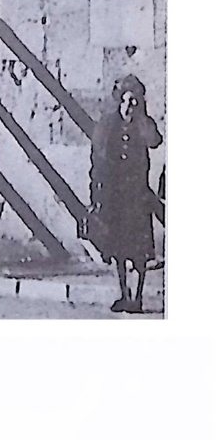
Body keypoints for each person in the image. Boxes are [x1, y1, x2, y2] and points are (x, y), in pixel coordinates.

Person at [89, 73, 163, 314]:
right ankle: (124, 294)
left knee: (139, 250)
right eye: (125, 101)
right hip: (116, 196)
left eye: (134, 102)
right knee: (119, 249)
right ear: (118, 101)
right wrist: (97, 194)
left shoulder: (142, 125)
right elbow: (98, 160)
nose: (129, 106)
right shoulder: (108, 126)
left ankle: (138, 297)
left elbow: (155, 141)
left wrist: (142, 118)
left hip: (137, 196)